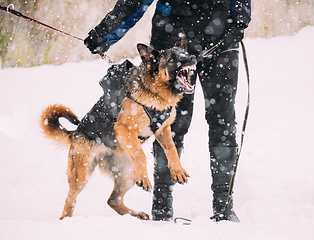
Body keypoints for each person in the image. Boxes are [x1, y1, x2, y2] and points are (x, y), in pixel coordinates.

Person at [84, 0, 251, 222]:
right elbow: (133, 2)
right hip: (172, 38)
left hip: (221, 39)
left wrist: (239, 22)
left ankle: (223, 205)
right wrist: (104, 34)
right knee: (170, 122)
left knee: (223, 118)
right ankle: (162, 203)